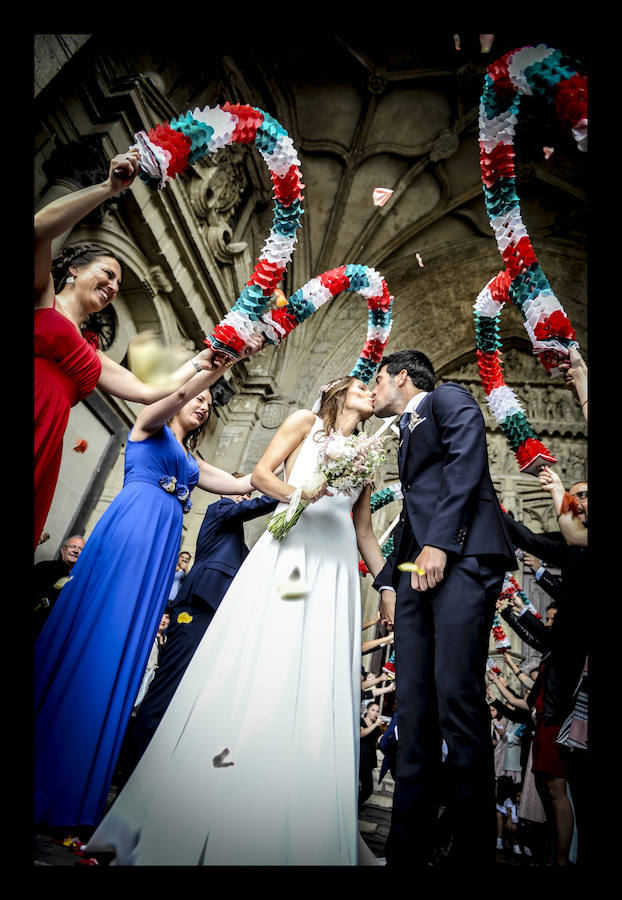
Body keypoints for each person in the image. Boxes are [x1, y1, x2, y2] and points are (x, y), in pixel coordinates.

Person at [85, 374, 387, 865]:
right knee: (261, 662)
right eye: (362, 387)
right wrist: (300, 492)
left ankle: (291, 804)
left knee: (310, 678)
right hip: (290, 555)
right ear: (337, 393)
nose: (371, 394)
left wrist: (388, 584)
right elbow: (263, 475)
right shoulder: (304, 422)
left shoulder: (368, 455)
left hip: (334, 567)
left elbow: (366, 532)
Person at [34, 338, 265, 835]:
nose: (203, 405)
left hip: (160, 549)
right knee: (99, 633)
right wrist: (213, 368)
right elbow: (174, 399)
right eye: (199, 398)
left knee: (125, 652)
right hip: (134, 529)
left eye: (209, 403)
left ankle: (75, 785)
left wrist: (309, 464)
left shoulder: (191, 462)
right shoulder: (148, 426)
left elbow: (245, 484)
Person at [369, 349, 517, 867]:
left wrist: (442, 542)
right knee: (413, 709)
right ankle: (406, 850)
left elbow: (465, 463)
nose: (372, 390)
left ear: (402, 376)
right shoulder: (406, 432)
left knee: (457, 697)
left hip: (461, 557)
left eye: (377, 380)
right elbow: (414, 508)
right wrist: (389, 581)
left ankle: (473, 852)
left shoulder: (447, 399)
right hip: (415, 573)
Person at [34, 151, 217, 548]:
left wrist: (202, 362)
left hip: (47, 435)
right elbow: (39, 230)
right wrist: (107, 188)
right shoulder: (42, 297)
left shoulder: (89, 351)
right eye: (109, 274)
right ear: (75, 269)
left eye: (119, 285)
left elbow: (149, 391)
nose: (115, 287)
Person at [118, 487, 279, 784]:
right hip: (195, 609)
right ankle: (132, 769)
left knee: (187, 694)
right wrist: (289, 490)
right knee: (166, 690)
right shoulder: (219, 510)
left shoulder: (236, 541)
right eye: (242, 492)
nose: (244, 497)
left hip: (216, 615)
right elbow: (258, 505)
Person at [34, 535, 85, 638]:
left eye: (80, 549)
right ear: (63, 550)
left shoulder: (82, 582)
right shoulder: (45, 568)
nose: (76, 550)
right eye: (72, 546)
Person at [133, 612, 170, 713]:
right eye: (161, 616)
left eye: (167, 617)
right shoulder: (147, 635)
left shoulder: (166, 640)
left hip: (153, 679)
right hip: (140, 675)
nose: (163, 620)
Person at [359, 702, 383, 807]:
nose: (375, 713)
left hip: (368, 760)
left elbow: (379, 742)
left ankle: (354, 806)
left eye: (377, 711)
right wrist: (375, 725)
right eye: (373, 710)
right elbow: (361, 734)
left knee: (368, 789)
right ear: (367, 710)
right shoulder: (360, 721)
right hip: (359, 759)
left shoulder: (376, 728)